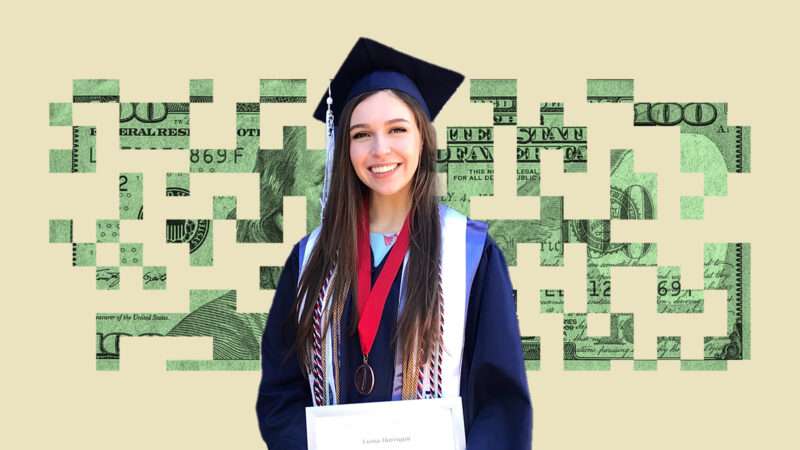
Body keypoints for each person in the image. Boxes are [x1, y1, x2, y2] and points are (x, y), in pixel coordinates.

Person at [255, 37, 532, 450]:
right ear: (344, 148)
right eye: (361, 134)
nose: (380, 149)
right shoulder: (309, 259)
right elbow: (281, 394)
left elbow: (500, 403)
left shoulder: (469, 255)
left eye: (397, 129)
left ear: (423, 137)